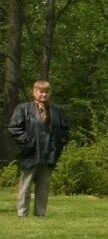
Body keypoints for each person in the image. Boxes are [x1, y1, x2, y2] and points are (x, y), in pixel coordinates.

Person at [9, 80, 69, 219]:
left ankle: (40, 214)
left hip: (49, 153)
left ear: (50, 93)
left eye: (46, 91)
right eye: (41, 91)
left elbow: (65, 130)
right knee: (25, 185)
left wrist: (60, 143)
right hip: (30, 153)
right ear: (34, 92)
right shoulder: (23, 108)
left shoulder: (57, 110)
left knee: (43, 186)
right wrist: (28, 140)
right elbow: (14, 129)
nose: (44, 94)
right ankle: (22, 213)